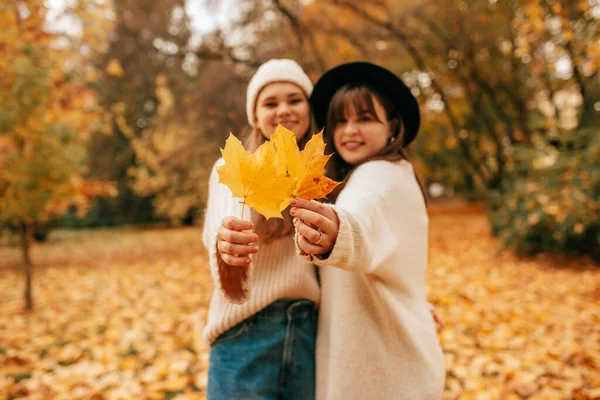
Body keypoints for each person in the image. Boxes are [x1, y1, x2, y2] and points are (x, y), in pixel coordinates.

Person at [291, 61, 446, 399]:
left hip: (384, 376)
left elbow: (362, 219)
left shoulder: (378, 175)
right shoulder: (394, 172)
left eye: (364, 119)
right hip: (393, 362)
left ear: (392, 127)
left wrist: (334, 231)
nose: (349, 131)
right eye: (340, 121)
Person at [202, 59, 320, 399]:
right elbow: (220, 230)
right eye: (270, 103)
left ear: (309, 109)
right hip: (244, 335)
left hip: (308, 336)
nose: (283, 110)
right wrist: (227, 245)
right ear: (255, 116)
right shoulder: (234, 167)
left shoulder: (319, 176)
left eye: (294, 99)